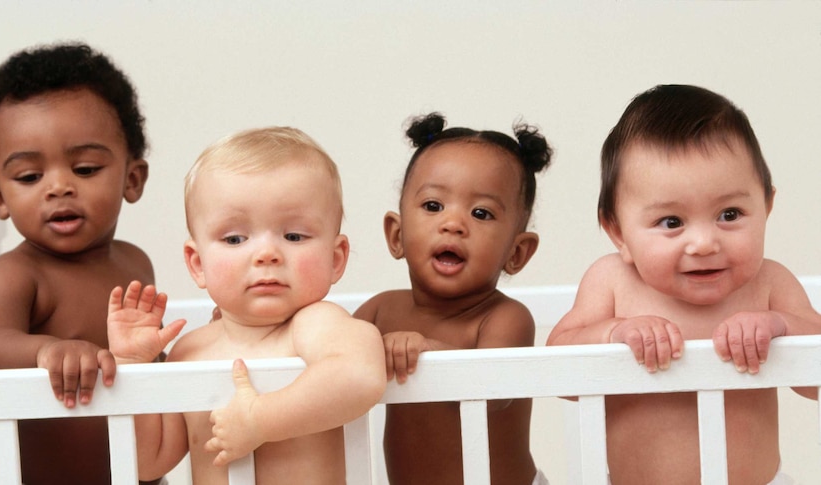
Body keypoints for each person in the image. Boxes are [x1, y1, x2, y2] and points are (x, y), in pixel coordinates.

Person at [546, 84, 821, 485]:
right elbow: (555, 372)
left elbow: (815, 382)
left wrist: (781, 326)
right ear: (618, 232)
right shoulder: (612, 282)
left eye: (730, 213)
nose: (705, 243)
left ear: (767, 207)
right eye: (671, 222)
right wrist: (613, 332)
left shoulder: (769, 283)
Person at [107, 126, 387, 484]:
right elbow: (150, 462)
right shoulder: (189, 351)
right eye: (235, 238)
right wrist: (133, 367)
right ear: (197, 263)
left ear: (335, 259)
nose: (266, 254)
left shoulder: (316, 325)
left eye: (294, 236)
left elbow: (360, 377)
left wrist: (261, 419)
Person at [0, 42, 161, 485]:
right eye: (30, 177)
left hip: (143, 475)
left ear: (132, 179)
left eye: (86, 168)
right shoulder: (17, 275)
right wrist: (45, 351)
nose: (58, 187)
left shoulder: (135, 262)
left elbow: (145, 359)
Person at [353, 113, 552, 485]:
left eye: (481, 213)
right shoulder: (381, 310)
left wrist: (426, 349)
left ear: (517, 253)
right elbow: (326, 356)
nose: (454, 223)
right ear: (396, 235)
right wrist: (251, 328)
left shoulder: (505, 317)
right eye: (433, 206)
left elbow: (492, 392)